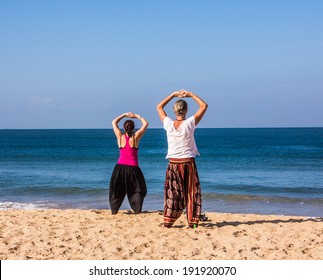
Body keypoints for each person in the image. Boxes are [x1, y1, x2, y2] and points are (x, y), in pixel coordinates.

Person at [156, 89, 208, 228]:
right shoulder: (189, 123)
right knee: (191, 192)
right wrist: (191, 95)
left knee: (172, 193)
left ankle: (168, 221)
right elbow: (204, 106)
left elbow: (159, 107)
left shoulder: (168, 123)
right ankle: (193, 222)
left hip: (173, 163)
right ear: (186, 111)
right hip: (187, 162)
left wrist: (172, 94)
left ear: (174, 111)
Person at [109, 112, 149, 214]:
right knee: (136, 189)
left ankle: (114, 209)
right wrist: (137, 116)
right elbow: (145, 124)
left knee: (117, 189)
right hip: (133, 168)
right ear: (133, 127)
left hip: (120, 168)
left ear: (124, 127)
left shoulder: (120, 136)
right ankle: (137, 209)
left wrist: (124, 115)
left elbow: (113, 122)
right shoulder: (136, 137)